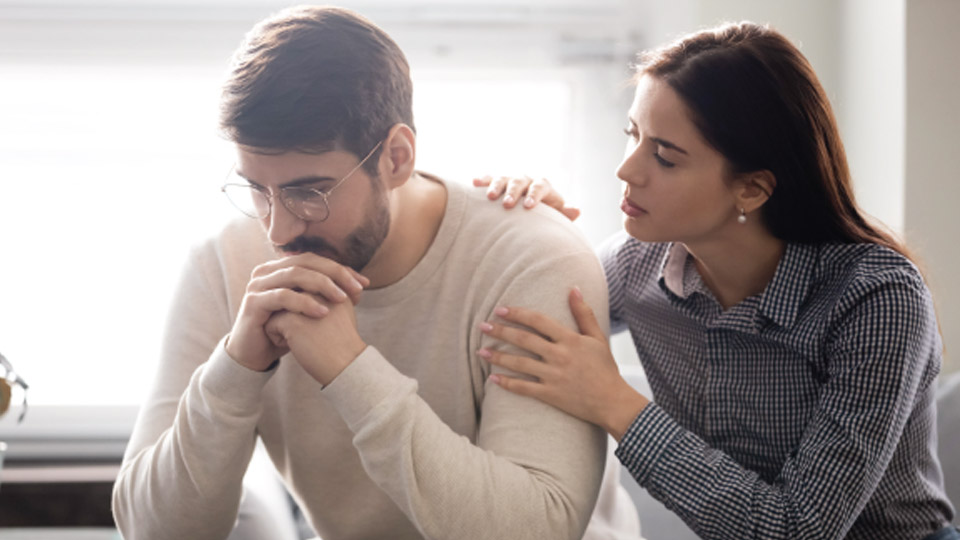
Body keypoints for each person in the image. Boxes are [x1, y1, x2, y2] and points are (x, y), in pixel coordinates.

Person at [110, 6, 640, 540]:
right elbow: (152, 532)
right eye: (256, 189)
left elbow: (533, 531)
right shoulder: (223, 265)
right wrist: (236, 369)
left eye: (309, 192)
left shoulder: (532, 259)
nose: (278, 230)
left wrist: (350, 371)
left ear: (397, 157)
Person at [476, 21, 958, 540]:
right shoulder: (636, 263)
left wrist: (613, 400)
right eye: (632, 136)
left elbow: (798, 530)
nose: (627, 171)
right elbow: (525, 315)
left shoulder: (877, 298)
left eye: (664, 156)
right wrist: (534, 229)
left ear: (751, 189)